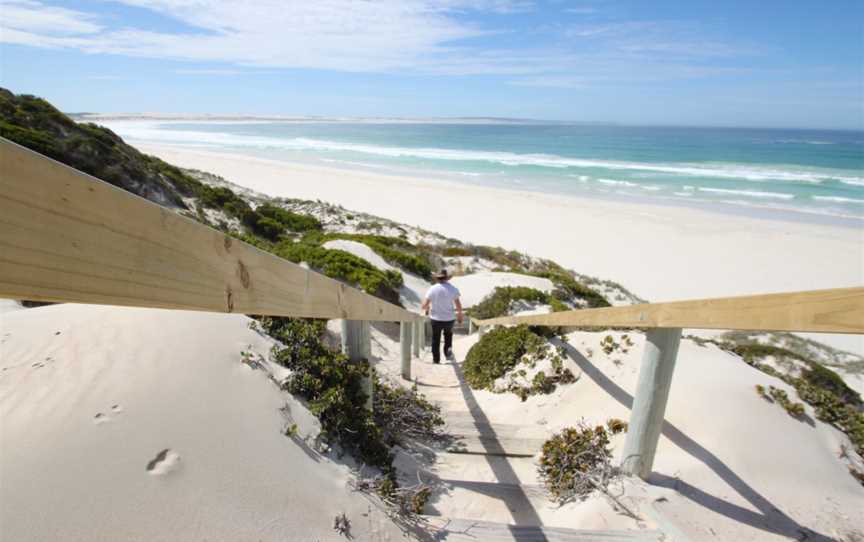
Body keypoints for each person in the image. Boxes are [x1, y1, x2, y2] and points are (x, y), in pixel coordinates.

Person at [421, 268, 463, 364]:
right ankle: (448, 353)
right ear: (447, 278)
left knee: (436, 339)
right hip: (449, 319)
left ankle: (436, 360)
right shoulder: (453, 289)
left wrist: (426, 309)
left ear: (437, 278)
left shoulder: (432, 289)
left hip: (436, 319)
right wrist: (460, 317)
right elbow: (458, 306)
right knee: (448, 336)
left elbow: (424, 306)